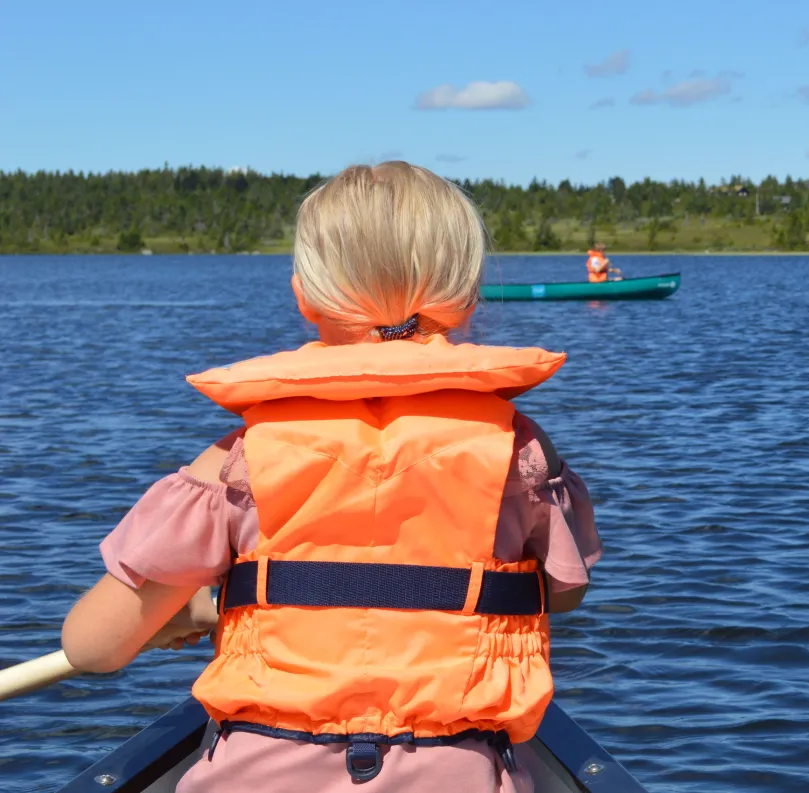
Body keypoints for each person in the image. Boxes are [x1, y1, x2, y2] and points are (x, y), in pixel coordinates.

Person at [60, 161, 601, 793]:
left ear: (304, 296)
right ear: (467, 297)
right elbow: (562, 591)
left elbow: (92, 647)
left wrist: (202, 607)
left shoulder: (239, 460)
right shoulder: (520, 452)